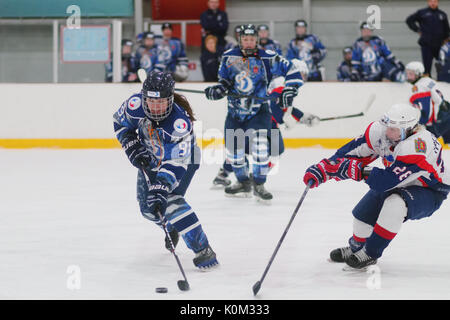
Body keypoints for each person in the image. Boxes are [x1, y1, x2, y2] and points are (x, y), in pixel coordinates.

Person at [303, 103, 449, 269]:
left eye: (393, 129)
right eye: (387, 126)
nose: (387, 132)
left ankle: (370, 253)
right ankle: (356, 248)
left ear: (408, 129)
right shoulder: (382, 131)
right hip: (398, 179)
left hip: (430, 189)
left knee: (395, 204)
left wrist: (356, 170)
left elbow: (384, 182)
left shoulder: (419, 146)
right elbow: (352, 153)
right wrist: (326, 168)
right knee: (362, 215)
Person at [112, 71, 219, 269]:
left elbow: (177, 161)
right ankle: (172, 226)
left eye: (161, 102)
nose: (156, 107)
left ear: (170, 100)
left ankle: (203, 249)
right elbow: (120, 123)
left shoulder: (179, 124)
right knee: (148, 209)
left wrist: (162, 184)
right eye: (151, 102)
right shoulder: (134, 105)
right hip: (152, 158)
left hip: (183, 161)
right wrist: (131, 144)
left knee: (169, 200)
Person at [205, 24, 304, 201]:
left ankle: (259, 184)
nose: (249, 42)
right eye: (245, 39)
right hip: (235, 113)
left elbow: (292, 69)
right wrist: (218, 90)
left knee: (260, 146)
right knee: (234, 153)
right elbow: (225, 82)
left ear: (256, 40)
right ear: (240, 40)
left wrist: (291, 89)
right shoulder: (228, 57)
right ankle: (243, 182)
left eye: (252, 39)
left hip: (259, 111)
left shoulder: (268, 57)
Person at [211, 59, 320, 188]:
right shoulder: (281, 84)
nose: (303, 78)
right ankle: (254, 179)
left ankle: (224, 175)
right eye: (302, 74)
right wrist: (286, 118)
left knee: (246, 148)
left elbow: (284, 107)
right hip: (266, 123)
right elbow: (274, 106)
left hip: (259, 120)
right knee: (275, 151)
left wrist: (303, 117)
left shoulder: (280, 82)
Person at [405, 61, 450, 144]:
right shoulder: (428, 80)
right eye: (407, 73)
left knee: (430, 145)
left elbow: (426, 110)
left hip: (437, 121)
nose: (408, 76)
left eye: (411, 74)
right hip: (445, 112)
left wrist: (419, 123)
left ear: (418, 74)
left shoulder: (418, 87)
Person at [406, 0, 450, 76]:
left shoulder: (442, 15)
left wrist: (446, 40)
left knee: (441, 63)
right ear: (428, 2)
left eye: (435, 1)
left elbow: (447, 29)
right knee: (427, 65)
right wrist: (417, 30)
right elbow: (409, 20)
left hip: (440, 45)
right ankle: (427, 78)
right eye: (431, 1)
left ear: (437, 2)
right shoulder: (422, 13)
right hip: (427, 44)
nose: (433, 3)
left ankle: (440, 78)